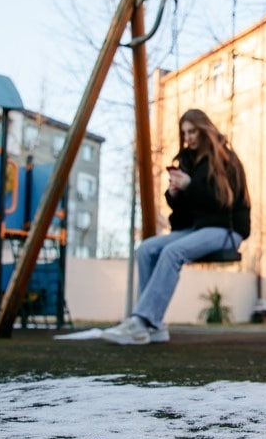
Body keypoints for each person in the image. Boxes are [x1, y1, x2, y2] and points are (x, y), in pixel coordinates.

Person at [102, 108, 251, 345]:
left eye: (193, 132)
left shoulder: (226, 159)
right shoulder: (187, 161)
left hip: (227, 229)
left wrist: (190, 186)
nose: (188, 137)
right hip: (197, 228)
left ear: (204, 130)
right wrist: (174, 194)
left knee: (173, 252)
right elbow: (184, 215)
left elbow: (223, 203)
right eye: (185, 133)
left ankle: (141, 321)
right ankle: (154, 326)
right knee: (146, 249)